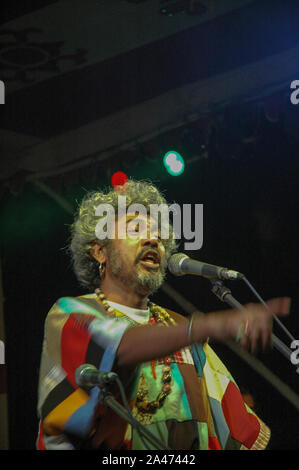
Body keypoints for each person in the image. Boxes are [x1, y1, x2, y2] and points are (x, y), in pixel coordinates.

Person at [36, 179, 290, 450]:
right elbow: (118, 347)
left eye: (158, 234)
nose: (152, 240)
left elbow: (238, 430)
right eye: (136, 229)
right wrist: (210, 325)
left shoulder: (180, 328)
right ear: (100, 251)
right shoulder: (70, 314)